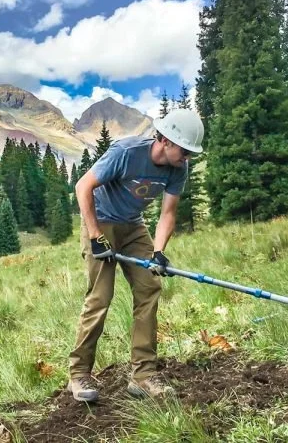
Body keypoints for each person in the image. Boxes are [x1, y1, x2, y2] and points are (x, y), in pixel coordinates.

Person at [67, 109, 204, 402]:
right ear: (165, 140)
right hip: (100, 220)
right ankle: (79, 374)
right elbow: (83, 186)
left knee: (149, 287)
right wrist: (95, 236)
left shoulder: (179, 169)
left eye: (191, 153)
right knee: (100, 297)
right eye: (185, 150)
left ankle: (143, 375)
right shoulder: (126, 152)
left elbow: (168, 213)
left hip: (133, 226)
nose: (187, 157)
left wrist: (158, 251)